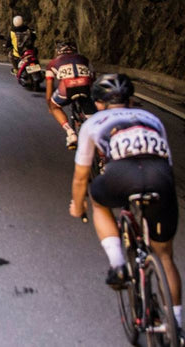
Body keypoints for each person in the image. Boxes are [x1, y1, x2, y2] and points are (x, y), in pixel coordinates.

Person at [69, 74, 181, 327]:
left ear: (98, 103)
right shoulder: (153, 119)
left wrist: (78, 206)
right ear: (130, 99)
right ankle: (177, 323)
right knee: (165, 256)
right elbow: (167, 162)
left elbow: (81, 177)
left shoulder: (94, 122)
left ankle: (118, 263)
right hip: (160, 178)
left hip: (120, 176)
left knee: (99, 202)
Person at [45, 38, 96, 149]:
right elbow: (93, 77)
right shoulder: (84, 59)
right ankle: (102, 160)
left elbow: (49, 87)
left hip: (66, 88)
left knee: (55, 107)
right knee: (93, 117)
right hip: (85, 85)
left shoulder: (52, 63)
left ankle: (70, 133)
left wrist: (50, 104)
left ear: (58, 51)